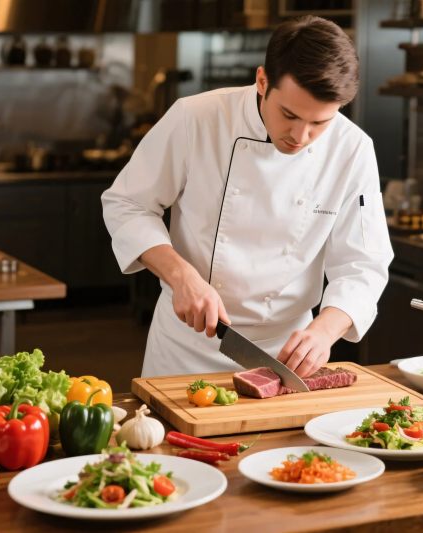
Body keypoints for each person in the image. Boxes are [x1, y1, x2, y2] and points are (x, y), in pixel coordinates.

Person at [102, 16, 392, 378]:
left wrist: (325, 331)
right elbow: (127, 203)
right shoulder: (197, 118)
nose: (300, 136)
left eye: (320, 123)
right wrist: (181, 276)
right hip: (187, 346)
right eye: (289, 114)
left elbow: (364, 264)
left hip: (287, 356)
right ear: (262, 80)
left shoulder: (353, 150)